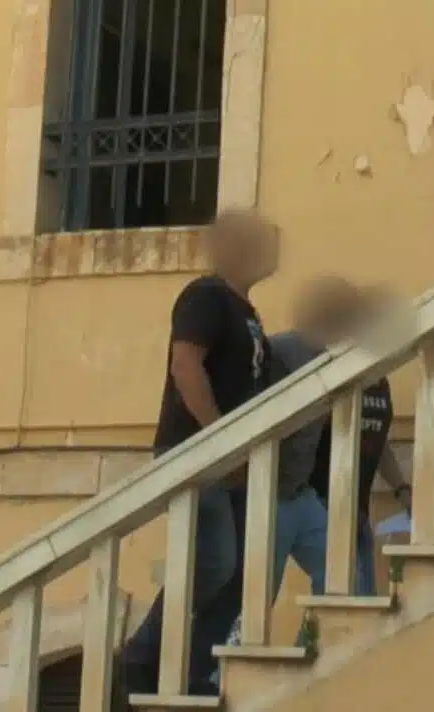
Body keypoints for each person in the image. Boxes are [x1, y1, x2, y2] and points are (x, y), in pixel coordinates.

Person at [120, 209, 281, 697]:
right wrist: (218, 437)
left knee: (239, 574)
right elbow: (186, 366)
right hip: (195, 450)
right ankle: (141, 657)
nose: (272, 246)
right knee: (214, 561)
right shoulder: (205, 296)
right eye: (261, 238)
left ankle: (193, 670)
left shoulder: (247, 313)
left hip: (233, 459)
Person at [216, 277, 371, 660]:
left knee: (346, 576)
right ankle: (220, 673)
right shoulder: (282, 349)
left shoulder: (338, 358)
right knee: (255, 597)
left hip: (301, 496)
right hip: (268, 495)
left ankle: (314, 651)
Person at [309, 284, 412, 596]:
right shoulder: (334, 372)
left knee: (359, 597)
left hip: (358, 508)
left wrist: (402, 489)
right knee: (347, 593)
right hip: (324, 505)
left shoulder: (379, 381)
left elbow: (378, 441)